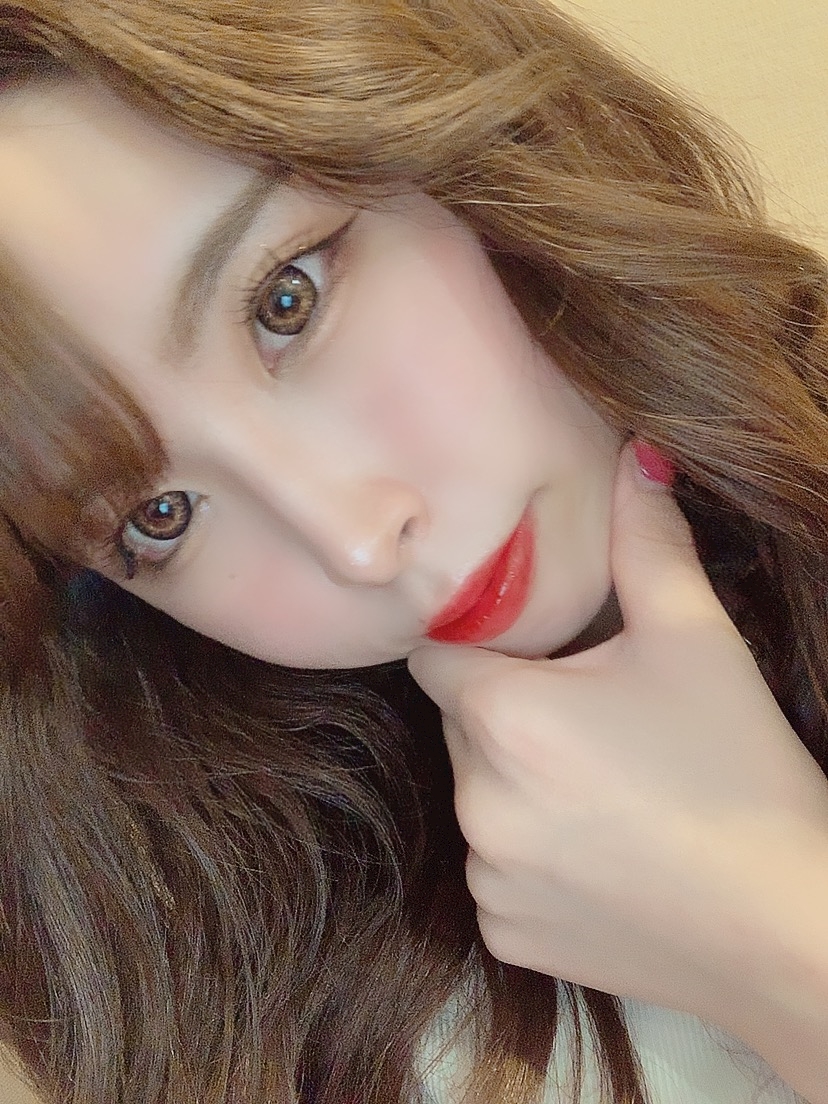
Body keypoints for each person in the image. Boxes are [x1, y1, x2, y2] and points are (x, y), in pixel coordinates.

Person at [0, 1, 827, 1102]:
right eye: (158, 517)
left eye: (287, 302)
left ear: (441, 141)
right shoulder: (215, 964)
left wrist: (774, 937)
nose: (354, 543)